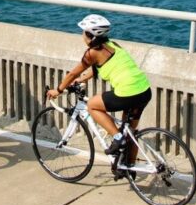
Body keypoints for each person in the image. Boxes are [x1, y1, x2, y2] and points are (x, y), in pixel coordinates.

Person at [46, 14, 152, 155]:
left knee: (92, 105)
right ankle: (128, 168)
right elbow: (99, 67)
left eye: (83, 32)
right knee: (130, 132)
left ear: (90, 35)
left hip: (127, 93)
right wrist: (83, 79)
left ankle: (118, 138)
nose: (82, 35)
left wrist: (58, 90)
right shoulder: (112, 45)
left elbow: (72, 74)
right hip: (144, 91)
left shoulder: (92, 53)